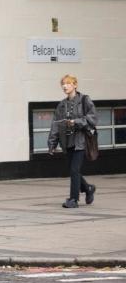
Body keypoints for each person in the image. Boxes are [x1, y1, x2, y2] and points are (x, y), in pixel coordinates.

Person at [48, 74, 98, 208]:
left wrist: (75, 122)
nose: (65, 86)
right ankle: (88, 188)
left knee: (74, 170)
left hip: (80, 141)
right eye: (63, 84)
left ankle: (73, 199)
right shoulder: (61, 105)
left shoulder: (84, 100)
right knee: (73, 170)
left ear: (75, 85)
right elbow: (56, 125)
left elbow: (93, 119)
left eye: (68, 83)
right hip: (67, 141)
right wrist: (52, 144)